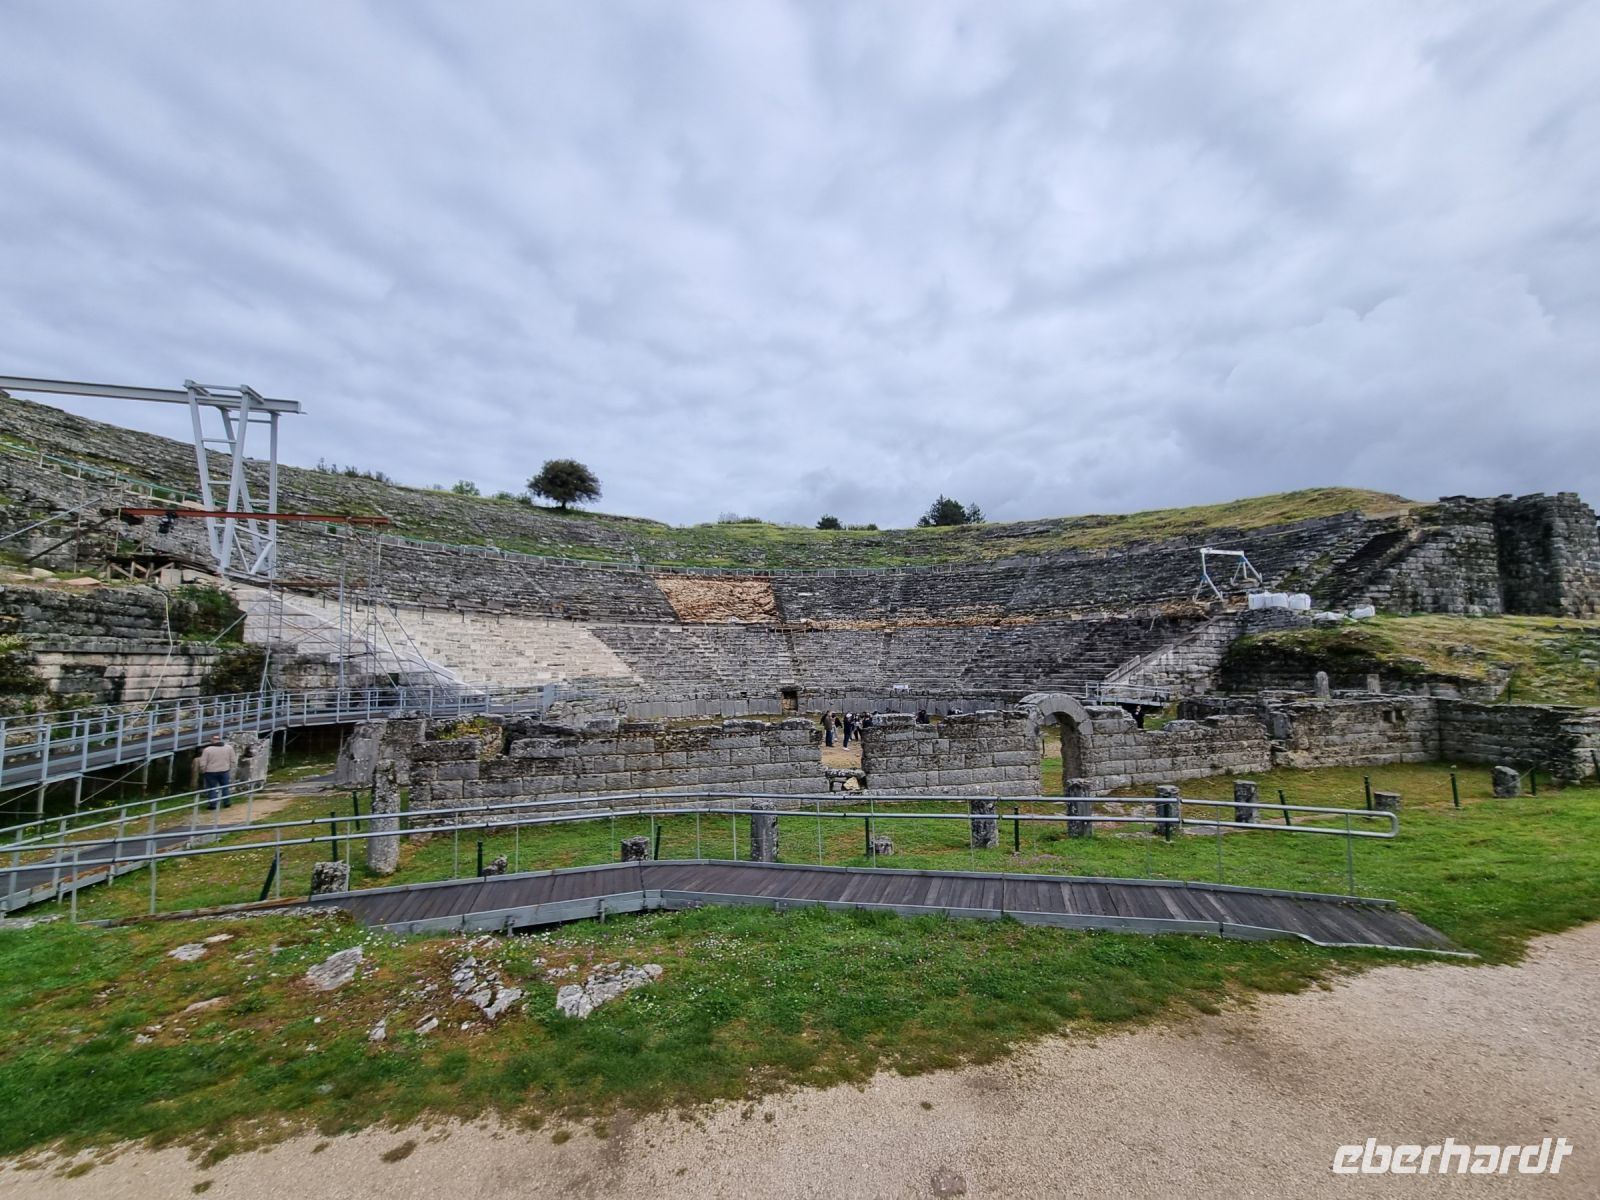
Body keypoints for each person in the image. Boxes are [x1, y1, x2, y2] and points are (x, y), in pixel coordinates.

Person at [198, 734, 237, 810]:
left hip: (210, 771)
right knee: (225, 787)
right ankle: (227, 803)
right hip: (224, 770)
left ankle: (213, 805)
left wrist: (203, 770)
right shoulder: (229, 748)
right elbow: (233, 760)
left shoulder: (207, 750)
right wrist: (230, 767)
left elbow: (203, 762)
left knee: (212, 788)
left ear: (212, 740)